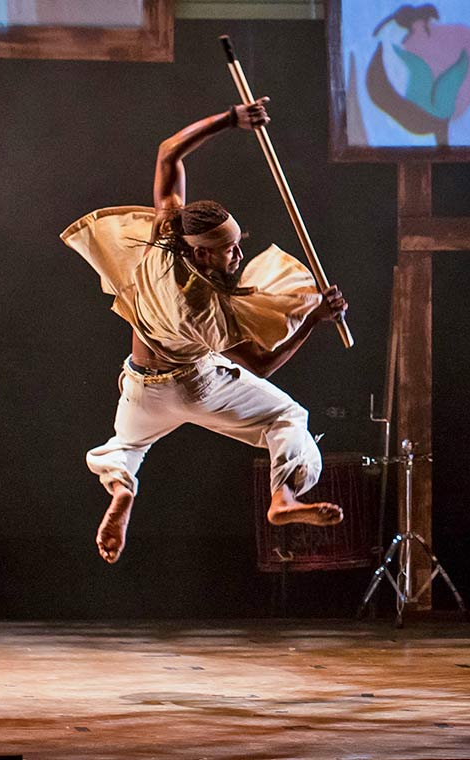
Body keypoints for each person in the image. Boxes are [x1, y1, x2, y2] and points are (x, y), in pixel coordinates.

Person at [61, 97, 349, 564]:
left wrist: (231, 119)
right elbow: (262, 364)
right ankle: (283, 497)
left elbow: (169, 153)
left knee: (126, 447)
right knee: (288, 417)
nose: (236, 256)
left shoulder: (163, 235)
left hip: (142, 385)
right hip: (199, 384)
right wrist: (313, 321)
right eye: (229, 251)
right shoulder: (207, 307)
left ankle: (121, 491)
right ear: (200, 255)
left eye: (238, 246)